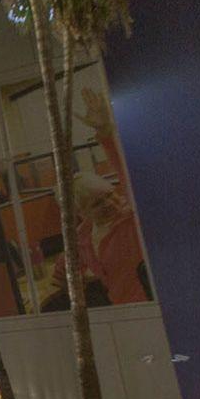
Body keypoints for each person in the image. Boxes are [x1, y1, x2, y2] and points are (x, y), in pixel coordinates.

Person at [49, 88, 151, 306]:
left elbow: (128, 174)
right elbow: (62, 272)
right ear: (81, 212)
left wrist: (106, 134)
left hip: (150, 308)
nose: (111, 203)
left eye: (110, 195)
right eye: (98, 203)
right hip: (121, 311)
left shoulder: (132, 219)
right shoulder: (82, 236)